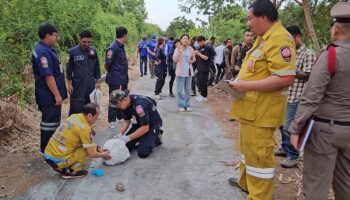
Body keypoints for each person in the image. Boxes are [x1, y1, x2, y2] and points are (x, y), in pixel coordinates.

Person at [227, 0, 296, 199]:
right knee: (246, 152)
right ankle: (246, 184)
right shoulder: (264, 38)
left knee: (259, 159)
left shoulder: (280, 39)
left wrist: (244, 86)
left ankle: (258, 196)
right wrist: (237, 82)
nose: (248, 24)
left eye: (250, 18)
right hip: (250, 110)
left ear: (263, 17)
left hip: (262, 113)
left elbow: (285, 77)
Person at [288, 2, 350, 199]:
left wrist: (296, 128)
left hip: (325, 130)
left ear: (336, 29)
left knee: (315, 186)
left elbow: (311, 96)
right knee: (346, 184)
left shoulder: (331, 55)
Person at [274, 25, 315, 168]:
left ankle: (293, 155)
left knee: (289, 127)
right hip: (284, 94)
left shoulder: (308, 53)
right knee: (281, 124)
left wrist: (290, 69)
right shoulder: (288, 52)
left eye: (290, 38)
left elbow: (308, 75)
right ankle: (285, 148)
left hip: (296, 96)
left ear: (298, 37)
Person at [44, 103, 111, 180]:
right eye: (96, 117)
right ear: (89, 116)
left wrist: (99, 148)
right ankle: (72, 171)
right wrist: (103, 155)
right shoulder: (84, 128)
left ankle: (61, 166)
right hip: (59, 159)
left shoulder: (74, 116)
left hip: (49, 154)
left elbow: (86, 142)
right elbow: (92, 154)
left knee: (83, 144)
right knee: (84, 150)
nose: (96, 120)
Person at [31, 23, 67, 153]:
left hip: (51, 94)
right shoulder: (42, 52)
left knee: (53, 122)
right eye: (55, 36)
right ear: (48, 35)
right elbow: (48, 76)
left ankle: (52, 147)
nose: (56, 38)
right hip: (48, 95)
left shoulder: (48, 49)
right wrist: (57, 95)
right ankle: (45, 149)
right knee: (49, 123)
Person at [109, 90, 163, 158]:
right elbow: (126, 121)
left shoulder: (139, 106)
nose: (118, 107)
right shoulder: (125, 104)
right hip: (139, 123)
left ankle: (157, 136)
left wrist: (128, 138)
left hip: (151, 124)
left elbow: (145, 128)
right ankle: (142, 137)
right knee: (125, 146)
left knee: (143, 152)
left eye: (119, 105)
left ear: (125, 99)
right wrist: (120, 134)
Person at [66, 30, 101, 115]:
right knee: (76, 106)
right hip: (77, 84)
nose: (87, 44)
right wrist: (69, 84)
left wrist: (98, 82)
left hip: (90, 84)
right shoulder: (72, 52)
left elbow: (97, 67)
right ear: (80, 40)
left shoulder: (93, 51)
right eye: (84, 42)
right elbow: (69, 69)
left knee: (90, 106)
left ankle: (87, 126)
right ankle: (74, 126)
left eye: (89, 42)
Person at [105, 27, 129, 129]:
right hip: (115, 78)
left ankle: (120, 117)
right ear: (124, 36)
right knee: (114, 99)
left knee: (122, 97)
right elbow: (107, 64)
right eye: (127, 36)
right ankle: (111, 121)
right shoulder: (113, 47)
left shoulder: (121, 46)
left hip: (123, 78)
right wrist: (113, 73)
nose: (127, 38)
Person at [173, 34, 196, 112]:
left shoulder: (190, 49)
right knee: (179, 90)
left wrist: (192, 57)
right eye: (184, 38)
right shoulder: (178, 49)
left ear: (188, 40)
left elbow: (192, 61)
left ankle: (187, 104)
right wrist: (179, 51)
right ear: (181, 40)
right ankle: (181, 105)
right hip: (180, 72)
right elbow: (175, 59)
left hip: (188, 72)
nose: (185, 40)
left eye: (187, 38)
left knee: (188, 90)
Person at [194, 36, 211, 103]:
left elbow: (206, 58)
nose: (198, 43)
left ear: (202, 41)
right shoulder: (201, 47)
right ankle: (202, 95)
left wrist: (198, 53)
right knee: (200, 82)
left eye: (198, 42)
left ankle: (204, 96)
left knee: (203, 83)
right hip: (200, 68)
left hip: (204, 68)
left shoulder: (207, 47)